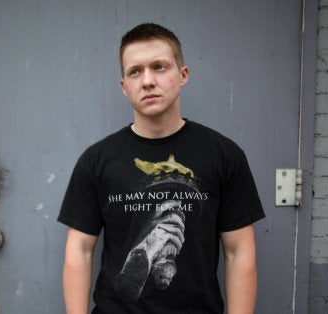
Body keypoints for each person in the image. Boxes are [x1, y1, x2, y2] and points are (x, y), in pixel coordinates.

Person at [58, 23, 265, 314]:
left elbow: (239, 251)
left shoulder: (223, 155)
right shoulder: (97, 160)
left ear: (183, 76)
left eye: (159, 67)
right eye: (135, 71)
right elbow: (80, 251)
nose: (147, 81)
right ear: (124, 86)